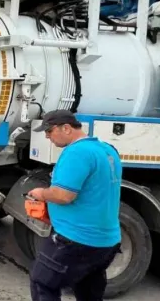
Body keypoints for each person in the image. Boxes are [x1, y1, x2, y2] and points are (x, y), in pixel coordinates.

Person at [26, 109, 123, 301]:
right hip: (106, 241)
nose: (47, 136)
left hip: (76, 239)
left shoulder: (76, 152)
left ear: (66, 128)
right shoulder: (107, 149)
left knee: (42, 283)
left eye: (49, 131)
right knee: (88, 292)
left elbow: (63, 195)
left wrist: (41, 194)